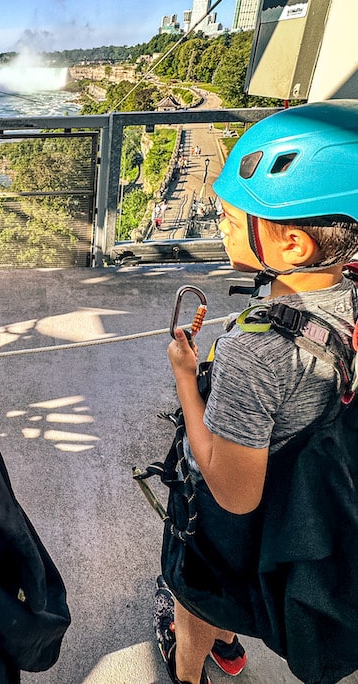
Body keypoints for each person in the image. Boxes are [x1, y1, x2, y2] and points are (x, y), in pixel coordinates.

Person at [155, 100, 358, 684]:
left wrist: (186, 382)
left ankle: (189, 664)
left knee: (197, 584)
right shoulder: (347, 303)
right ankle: (229, 640)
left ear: (293, 245)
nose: (219, 225)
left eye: (231, 215)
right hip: (299, 492)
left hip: (240, 513)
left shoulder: (256, 350)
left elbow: (232, 493)